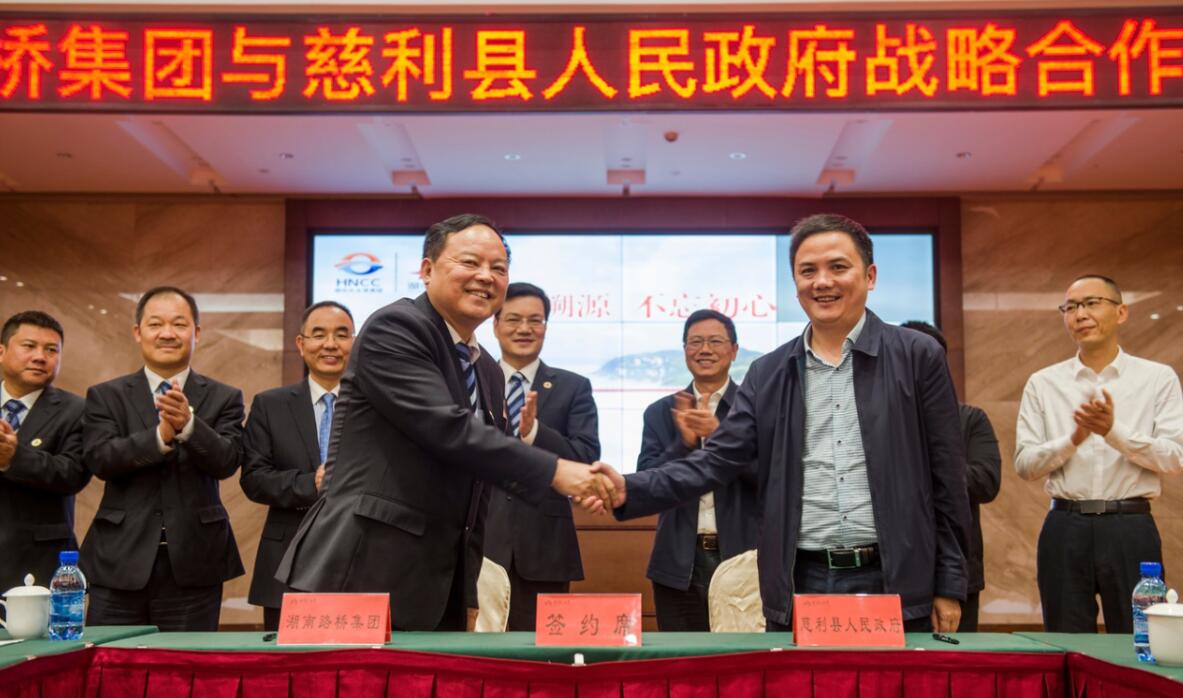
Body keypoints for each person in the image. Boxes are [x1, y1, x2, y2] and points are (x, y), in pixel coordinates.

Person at [587, 213, 970, 633]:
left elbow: (947, 479)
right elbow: (715, 462)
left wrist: (949, 583)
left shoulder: (917, 356)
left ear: (870, 276)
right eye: (808, 271)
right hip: (799, 581)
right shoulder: (768, 372)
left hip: (895, 580)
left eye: (838, 267)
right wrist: (630, 489)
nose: (822, 282)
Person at [276, 214, 614, 632]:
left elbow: (482, 479)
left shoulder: (485, 368)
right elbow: (448, 429)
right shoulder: (396, 328)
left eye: (498, 268)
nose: (485, 277)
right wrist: (557, 471)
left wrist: (468, 591)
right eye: (470, 262)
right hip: (363, 570)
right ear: (427, 269)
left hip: (439, 584)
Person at [1016, 274, 1183, 633]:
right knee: (1066, 638)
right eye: (1071, 307)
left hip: (1131, 525)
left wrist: (1112, 432)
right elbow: (1025, 466)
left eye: (1092, 303)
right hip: (1065, 525)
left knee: (1138, 638)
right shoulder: (1043, 383)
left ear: (1121, 312)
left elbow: (1174, 457)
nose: (1080, 314)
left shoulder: (1157, 378)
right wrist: (1072, 440)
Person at [81, 286, 245, 631]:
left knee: (186, 661)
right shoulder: (106, 396)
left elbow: (227, 461)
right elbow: (100, 459)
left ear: (196, 333)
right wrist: (159, 438)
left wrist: (190, 427)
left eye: (179, 324)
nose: (167, 333)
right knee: (112, 660)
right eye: (156, 324)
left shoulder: (225, 397)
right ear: (138, 332)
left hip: (195, 561)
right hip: (118, 560)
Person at [484, 282, 600, 631]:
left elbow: (586, 458)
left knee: (542, 654)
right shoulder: (474, 380)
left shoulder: (573, 387)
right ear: (495, 324)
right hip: (480, 542)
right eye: (513, 319)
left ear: (545, 327)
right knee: (476, 652)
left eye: (534, 320)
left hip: (545, 545)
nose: (524, 329)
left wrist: (535, 433)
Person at [637, 309, 759, 631]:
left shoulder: (756, 408)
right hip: (678, 563)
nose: (705, 350)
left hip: (744, 562)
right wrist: (683, 444)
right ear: (685, 350)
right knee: (683, 658)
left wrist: (721, 436)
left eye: (715, 341)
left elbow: (771, 477)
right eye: (696, 342)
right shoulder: (660, 413)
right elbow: (648, 487)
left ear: (734, 350)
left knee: (741, 657)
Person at [241, 301, 355, 631]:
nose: (330, 344)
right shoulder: (270, 405)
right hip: (286, 563)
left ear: (355, 343)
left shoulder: (376, 406)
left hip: (358, 560)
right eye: (319, 335)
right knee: (288, 659)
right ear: (301, 344)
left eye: (341, 335)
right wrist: (311, 484)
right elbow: (254, 479)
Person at [901, 320, 1001, 632]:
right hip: (896, 567)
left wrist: (924, 472)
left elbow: (987, 481)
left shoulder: (970, 419)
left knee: (955, 655)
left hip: (957, 569)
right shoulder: (878, 421)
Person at [0, 311, 89, 592]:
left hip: (40, 560)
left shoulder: (77, 410)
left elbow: (72, 473)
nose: (40, 357)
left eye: (51, 350)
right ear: (1, 352)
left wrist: (14, 458)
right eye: (29, 346)